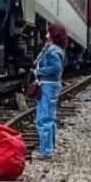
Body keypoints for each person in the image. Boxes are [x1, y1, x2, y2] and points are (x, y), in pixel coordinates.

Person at [34, 23, 68, 159]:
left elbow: (56, 68)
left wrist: (39, 71)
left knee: (43, 118)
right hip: (52, 85)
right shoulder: (56, 48)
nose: (46, 35)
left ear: (54, 34)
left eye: (49, 32)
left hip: (48, 85)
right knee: (50, 118)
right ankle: (50, 148)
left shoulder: (53, 49)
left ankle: (46, 151)